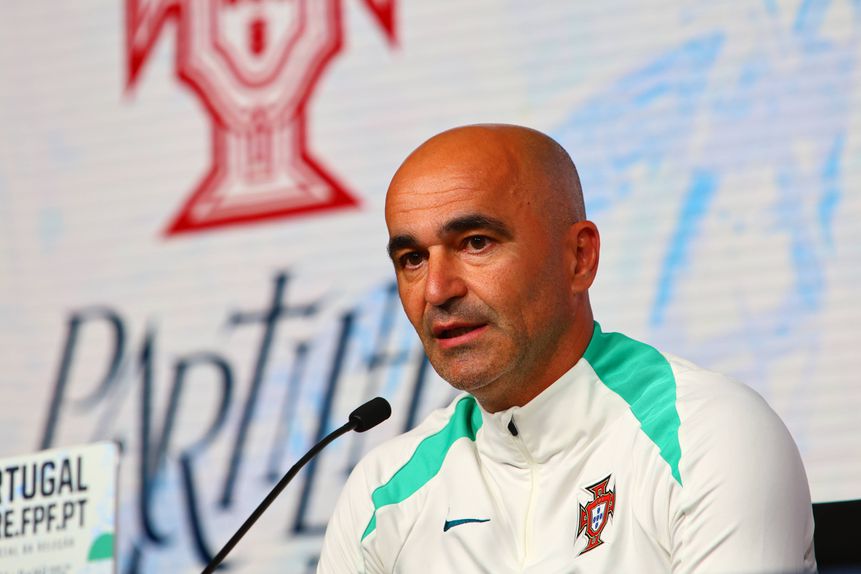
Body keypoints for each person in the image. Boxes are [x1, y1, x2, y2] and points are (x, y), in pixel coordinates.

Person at [317, 124, 816, 573]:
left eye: (476, 243)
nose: (436, 290)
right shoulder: (382, 493)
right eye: (412, 258)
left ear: (579, 257)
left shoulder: (709, 433)